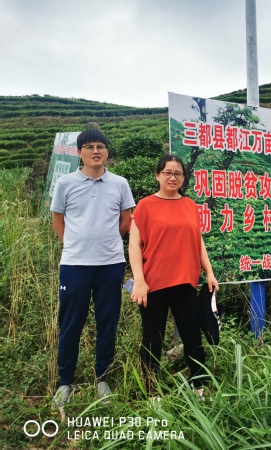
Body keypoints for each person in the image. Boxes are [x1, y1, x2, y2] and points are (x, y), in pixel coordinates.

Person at [50, 129, 136, 407]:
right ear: (79, 152)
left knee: (107, 322)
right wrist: (75, 245)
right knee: (70, 322)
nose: (95, 151)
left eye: (100, 146)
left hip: (110, 264)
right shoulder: (65, 183)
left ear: (107, 152)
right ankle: (65, 381)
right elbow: (57, 220)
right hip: (75, 265)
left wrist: (106, 243)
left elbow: (125, 220)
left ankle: (103, 378)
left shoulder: (120, 183)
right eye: (89, 147)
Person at [128, 155, 219, 400]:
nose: (173, 177)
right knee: (152, 339)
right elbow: (134, 244)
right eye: (167, 172)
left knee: (192, 336)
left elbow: (198, 241)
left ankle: (199, 387)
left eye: (178, 173)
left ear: (183, 177)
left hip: (185, 282)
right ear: (157, 175)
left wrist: (209, 272)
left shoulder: (190, 205)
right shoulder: (145, 205)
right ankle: (151, 393)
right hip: (154, 283)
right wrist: (139, 280)